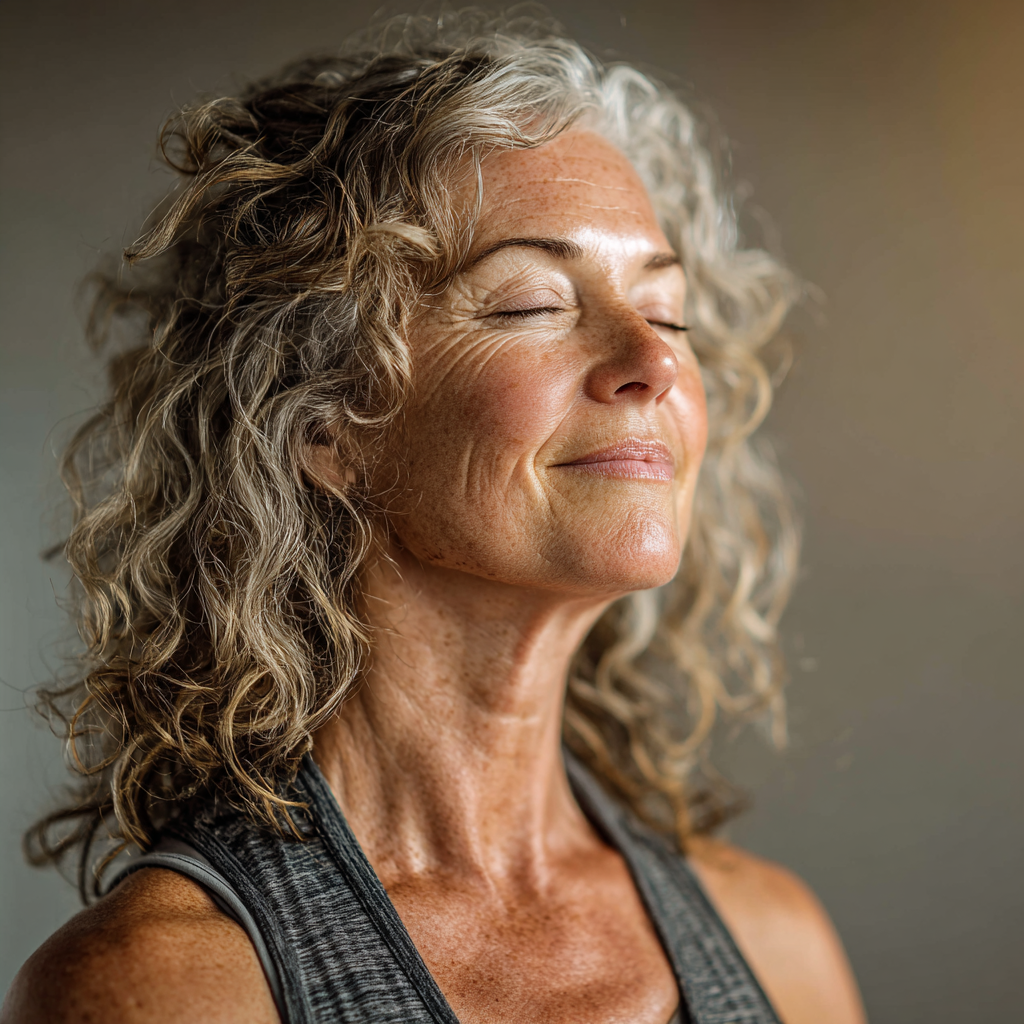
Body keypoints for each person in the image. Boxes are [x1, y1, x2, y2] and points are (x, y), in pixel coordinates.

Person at [2, 11, 866, 1024]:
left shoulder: (779, 945)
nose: (655, 360)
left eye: (668, 312)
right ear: (324, 420)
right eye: (532, 304)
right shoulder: (166, 987)